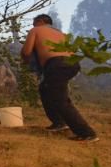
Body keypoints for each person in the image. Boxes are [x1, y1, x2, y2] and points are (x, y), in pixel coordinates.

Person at [21, 14, 98, 142]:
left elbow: (26, 52)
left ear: (40, 21)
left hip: (56, 64)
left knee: (60, 100)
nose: (32, 26)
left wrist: (25, 61)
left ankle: (87, 133)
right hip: (72, 64)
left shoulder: (36, 30)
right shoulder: (61, 34)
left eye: (34, 23)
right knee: (45, 89)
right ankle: (59, 123)